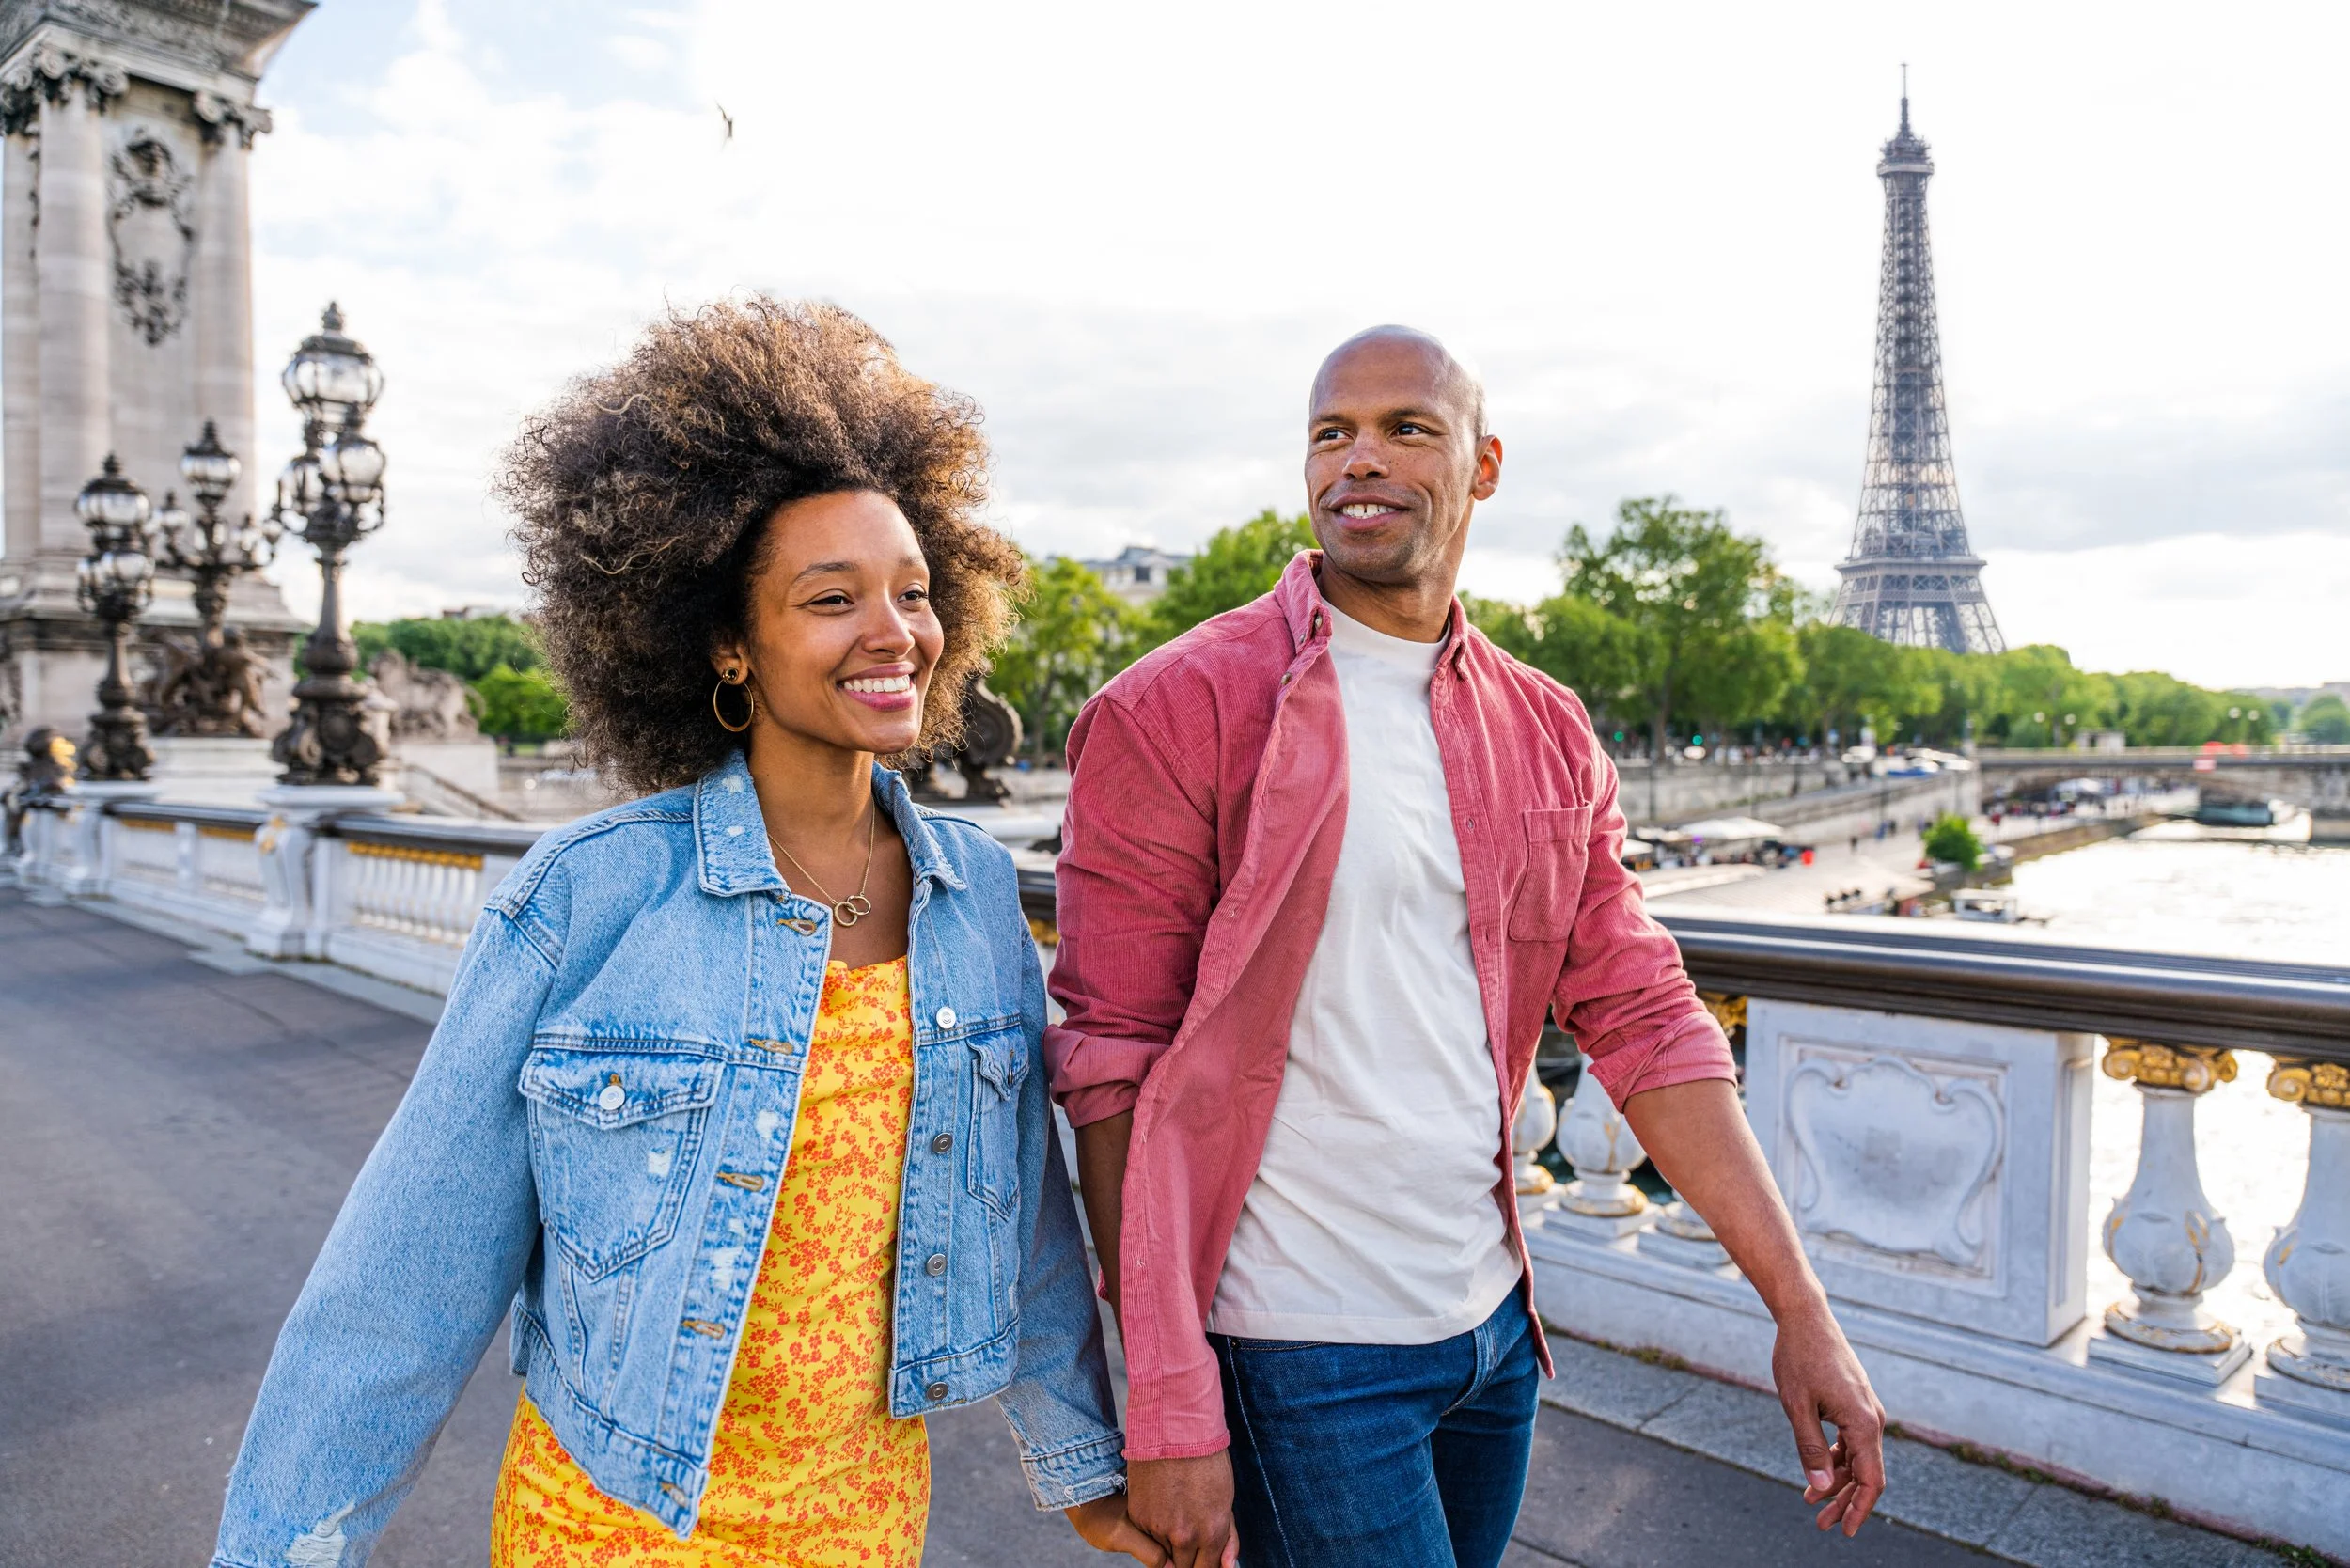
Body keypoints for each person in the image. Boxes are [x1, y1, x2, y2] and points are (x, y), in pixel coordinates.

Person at [212, 300, 1161, 1568]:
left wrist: (1089, 1469)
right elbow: (403, 1290)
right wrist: (279, 1550)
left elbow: (1025, 1221)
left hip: (868, 1529)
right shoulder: (589, 898)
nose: (896, 633)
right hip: (613, 1528)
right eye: (833, 599)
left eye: (915, 591)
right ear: (726, 641)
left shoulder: (976, 893)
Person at [1046, 326, 1888, 1568]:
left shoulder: (1545, 727)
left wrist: (1798, 1306)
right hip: (1295, 1347)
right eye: (1330, 432)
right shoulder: (1170, 707)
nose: (1357, 460)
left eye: (1406, 428)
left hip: (1492, 1339)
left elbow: (1646, 1016)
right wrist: (1167, 1404)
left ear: (1483, 467)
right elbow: (1112, 1072)